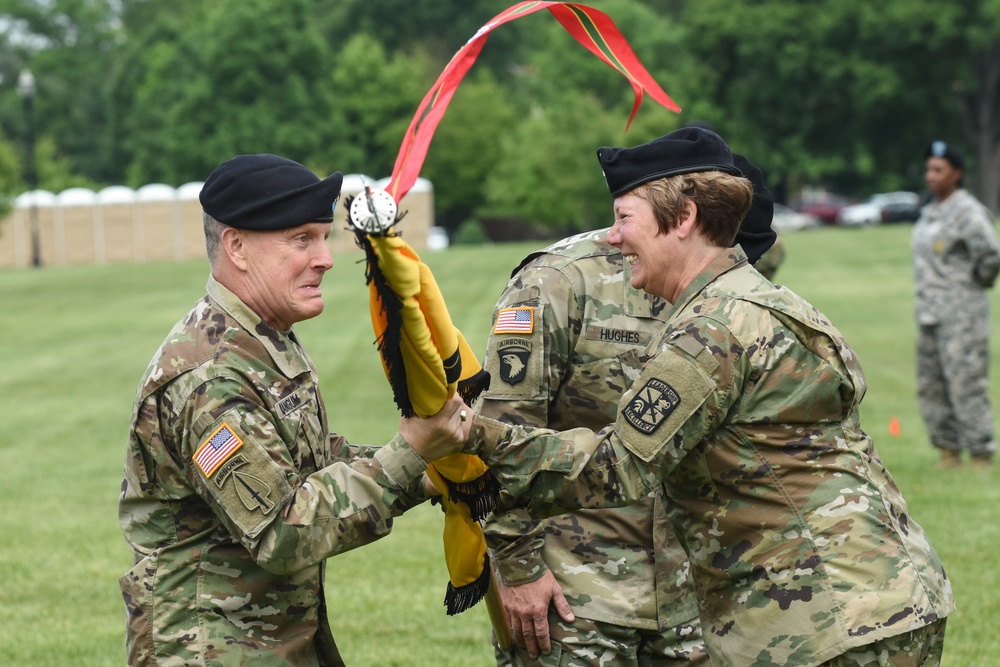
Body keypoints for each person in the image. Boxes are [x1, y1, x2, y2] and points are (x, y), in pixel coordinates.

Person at [460, 127, 955, 666]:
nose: (612, 236)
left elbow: (619, 465)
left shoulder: (714, 326)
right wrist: (516, 559)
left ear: (686, 219)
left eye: (625, 218)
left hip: (814, 615)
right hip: (877, 595)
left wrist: (465, 434)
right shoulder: (765, 302)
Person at [118, 154, 467, 667]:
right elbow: (283, 530)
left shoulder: (256, 339)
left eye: (325, 236)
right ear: (236, 246)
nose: (326, 257)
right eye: (302, 238)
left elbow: (308, 460)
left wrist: (426, 473)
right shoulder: (208, 375)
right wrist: (410, 455)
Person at [477, 154, 776, 666]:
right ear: (688, 220)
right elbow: (500, 433)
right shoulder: (560, 281)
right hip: (576, 594)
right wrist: (518, 566)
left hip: (698, 597)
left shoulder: (733, 299)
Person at [911, 140, 1000, 469]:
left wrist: (974, 284)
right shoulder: (930, 211)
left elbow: (990, 256)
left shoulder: (968, 213)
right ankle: (948, 452)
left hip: (962, 313)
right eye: (928, 169)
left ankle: (980, 454)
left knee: (966, 384)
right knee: (932, 385)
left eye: (939, 170)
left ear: (957, 174)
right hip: (929, 311)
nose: (930, 176)